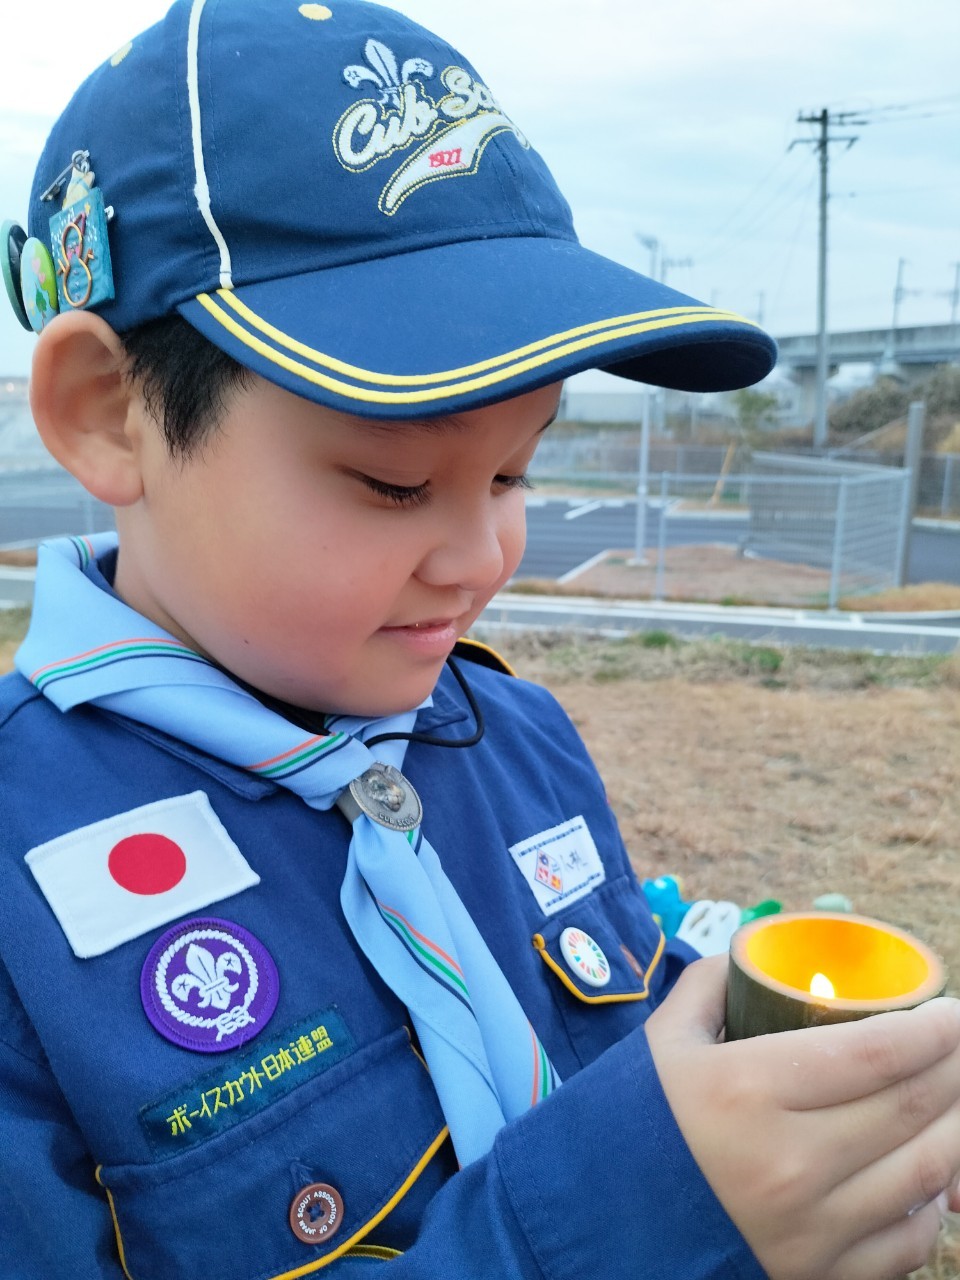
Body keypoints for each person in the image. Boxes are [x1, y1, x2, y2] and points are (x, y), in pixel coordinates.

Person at [1, 3, 959, 1277]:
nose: (482, 558)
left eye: (515, 471)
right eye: (396, 483)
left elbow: (600, 1006)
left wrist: (775, 1064)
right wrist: (620, 1226)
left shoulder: (517, 735)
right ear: (110, 414)